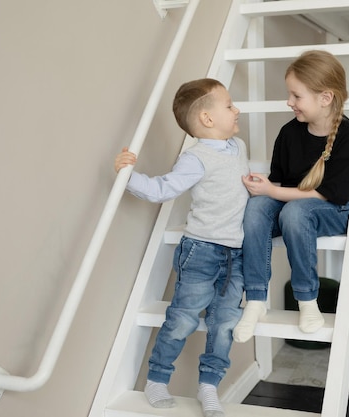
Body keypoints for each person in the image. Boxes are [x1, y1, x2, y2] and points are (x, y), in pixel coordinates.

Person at [114, 78, 249, 417]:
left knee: (225, 323)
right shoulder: (196, 158)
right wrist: (127, 175)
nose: (237, 110)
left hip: (237, 253)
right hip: (202, 251)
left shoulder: (239, 147)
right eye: (230, 105)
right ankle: (157, 378)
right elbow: (163, 189)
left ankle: (208, 387)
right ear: (207, 119)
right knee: (183, 318)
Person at [232, 50, 349, 343]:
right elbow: (280, 183)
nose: (289, 102)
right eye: (289, 95)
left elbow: (327, 195)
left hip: (331, 209)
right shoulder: (289, 133)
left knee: (295, 212)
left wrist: (274, 191)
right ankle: (255, 299)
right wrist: (264, 187)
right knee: (256, 207)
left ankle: (307, 300)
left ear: (325, 98)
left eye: (296, 96)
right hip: (290, 205)